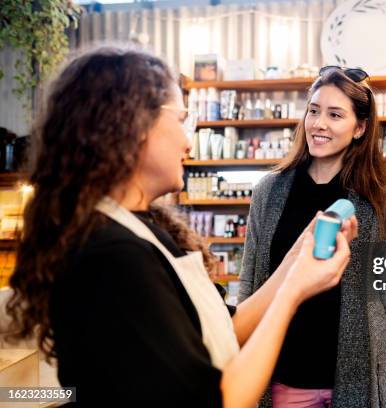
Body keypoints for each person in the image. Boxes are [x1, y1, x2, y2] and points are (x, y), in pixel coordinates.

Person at [4, 45, 358, 407]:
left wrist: (295, 261)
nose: (189, 140)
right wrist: (293, 292)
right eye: (180, 120)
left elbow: (226, 330)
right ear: (132, 125)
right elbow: (218, 400)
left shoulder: (143, 229)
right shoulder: (112, 255)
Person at [239, 66, 386, 407]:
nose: (318, 123)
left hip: (360, 382)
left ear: (359, 128)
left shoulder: (381, 202)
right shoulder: (269, 192)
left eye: (335, 115)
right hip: (285, 377)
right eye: (313, 110)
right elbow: (250, 283)